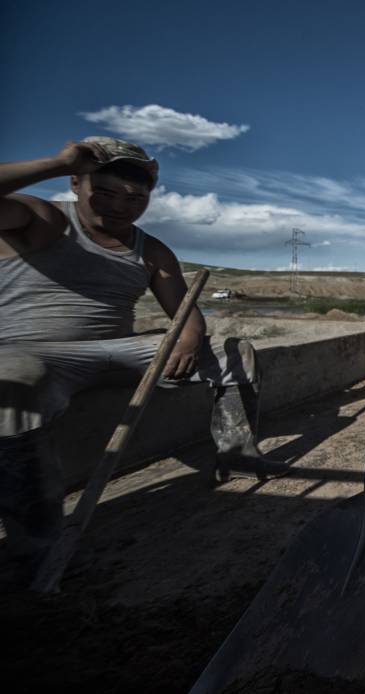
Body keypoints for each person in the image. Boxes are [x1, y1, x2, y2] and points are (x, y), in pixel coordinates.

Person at [0, 137, 282, 587]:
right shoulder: (43, 219)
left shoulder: (149, 249)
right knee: (13, 385)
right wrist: (55, 161)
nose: (120, 207)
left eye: (135, 198)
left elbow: (185, 311)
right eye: (105, 192)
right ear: (76, 183)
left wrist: (189, 340)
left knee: (235, 354)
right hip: (33, 352)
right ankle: (35, 545)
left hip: (117, 350)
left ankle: (238, 455)